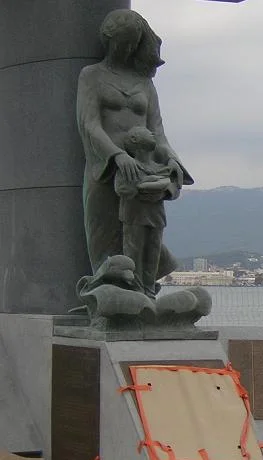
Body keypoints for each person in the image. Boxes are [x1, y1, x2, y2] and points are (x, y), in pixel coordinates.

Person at [76, 9, 192, 284]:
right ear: (109, 40)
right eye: (121, 41)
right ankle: (105, 299)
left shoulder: (145, 83)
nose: (125, 48)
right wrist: (117, 155)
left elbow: (158, 132)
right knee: (104, 235)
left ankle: (142, 295)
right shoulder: (91, 75)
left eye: (131, 42)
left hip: (144, 170)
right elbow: (89, 124)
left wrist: (172, 160)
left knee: (145, 235)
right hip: (106, 169)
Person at [114, 126, 179, 298]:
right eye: (146, 132)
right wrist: (146, 186)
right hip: (133, 216)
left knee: (153, 254)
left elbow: (174, 187)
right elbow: (122, 188)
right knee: (133, 254)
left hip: (156, 217)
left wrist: (164, 190)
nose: (152, 134)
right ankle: (134, 292)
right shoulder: (129, 167)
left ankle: (149, 292)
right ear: (135, 140)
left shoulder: (161, 167)